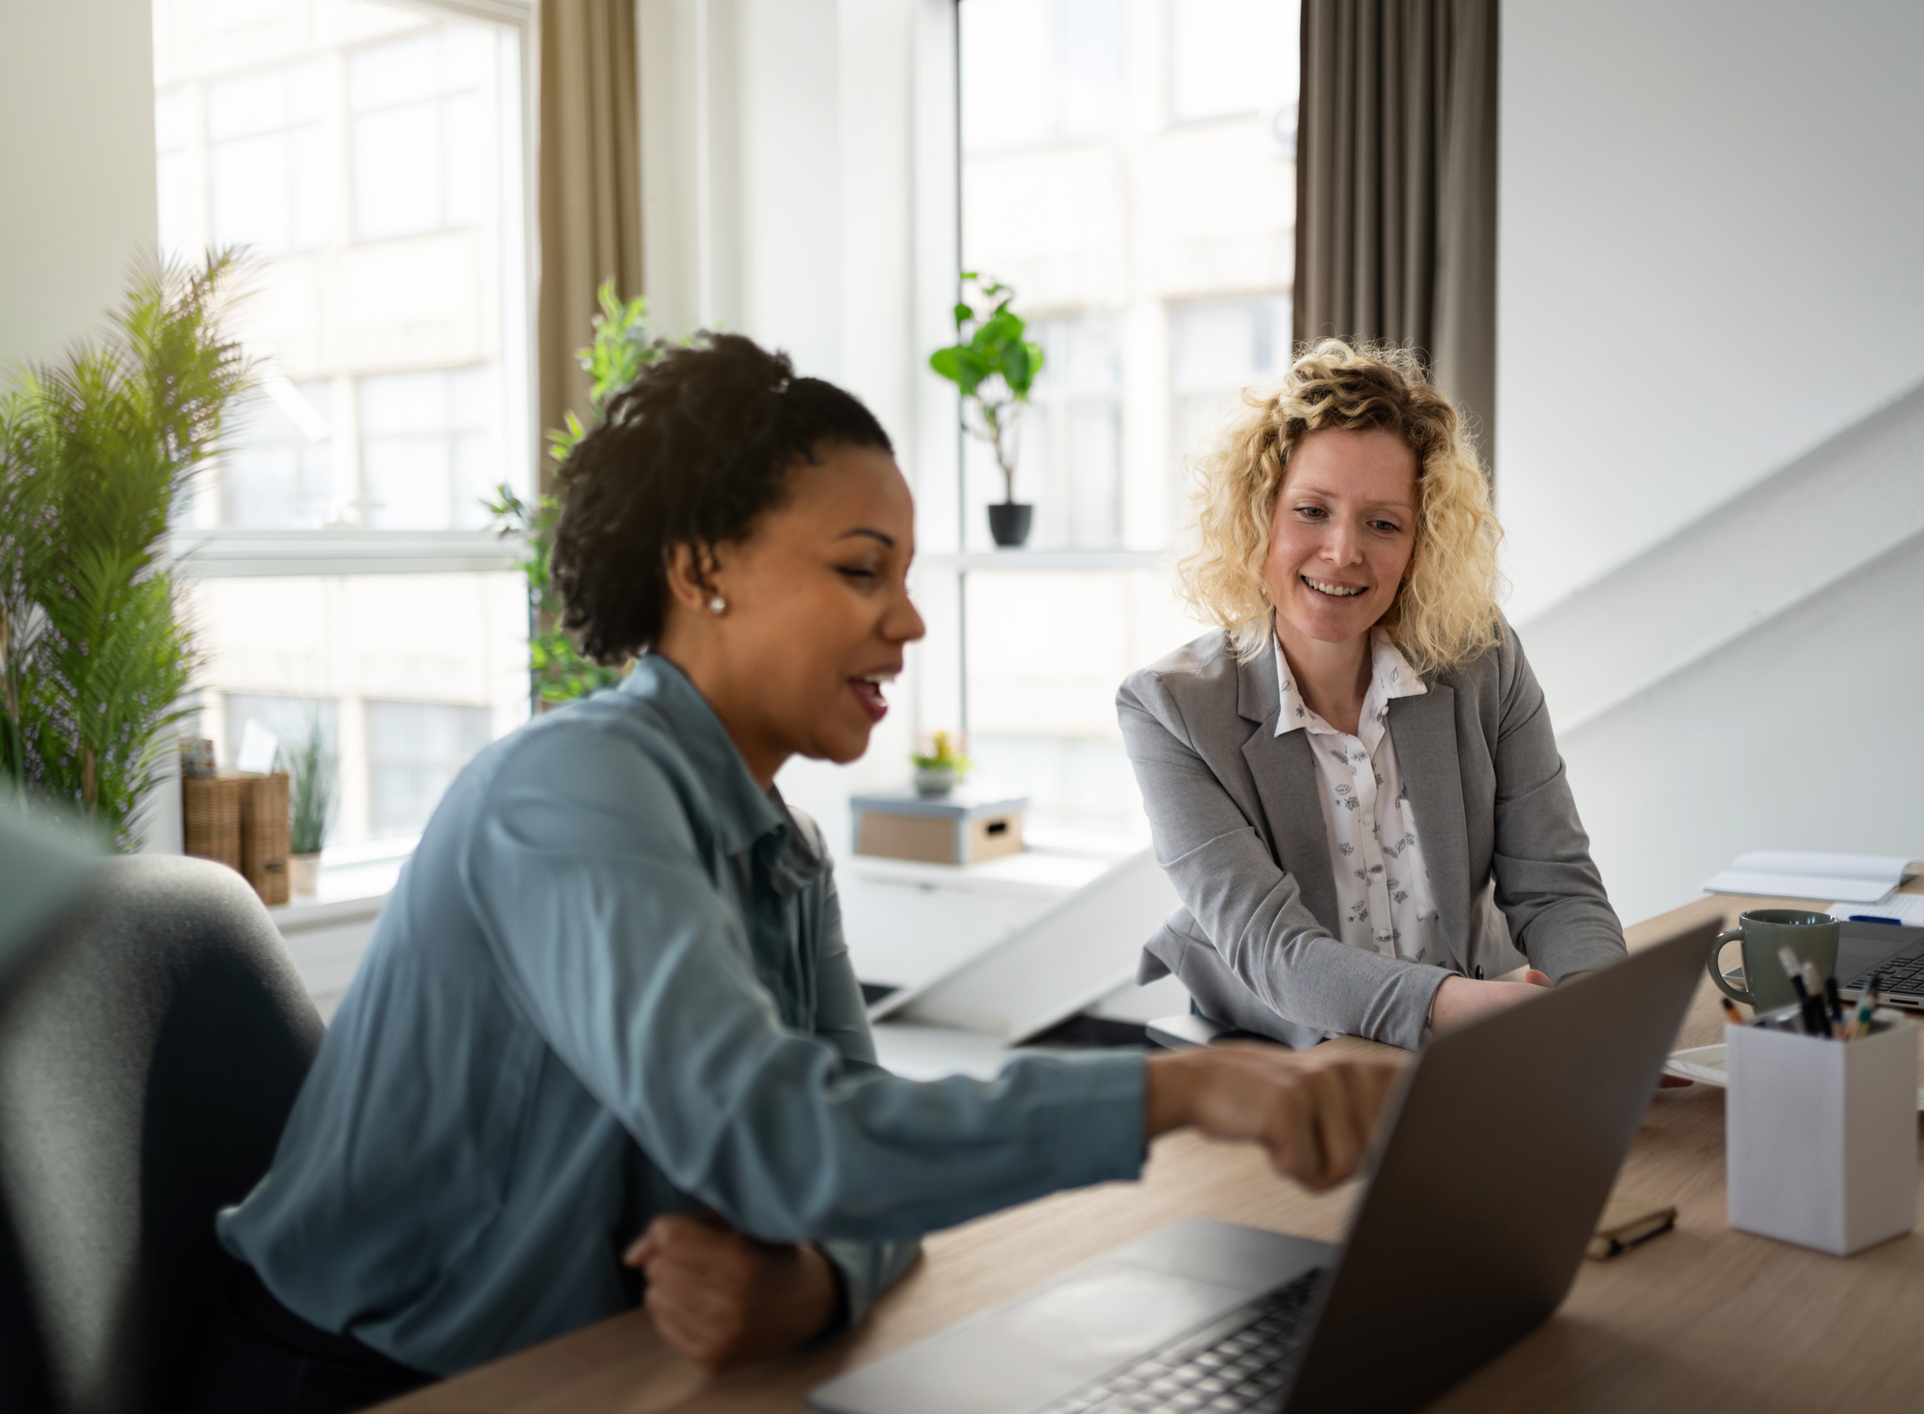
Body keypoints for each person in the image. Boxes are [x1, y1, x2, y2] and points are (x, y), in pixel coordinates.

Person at [183, 335, 1400, 1414]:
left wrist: (811, 1280)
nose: (911, 621)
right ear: (703, 566)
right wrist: (1191, 1092)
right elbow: (778, 1138)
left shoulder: (781, 844)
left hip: (584, 1369)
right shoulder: (568, 792)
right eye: (863, 570)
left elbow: (858, 1150)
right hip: (353, 1382)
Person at [1117, 339, 1629, 1053]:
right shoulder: (1168, 709)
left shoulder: (1483, 660)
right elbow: (1275, 952)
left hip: (1476, 1021)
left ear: (1421, 543)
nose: (1342, 552)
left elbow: (1555, 886)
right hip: (1296, 1036)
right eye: (1311, 511)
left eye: (1382, 523)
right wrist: (1466, 1008)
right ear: (1258, 515)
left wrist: (1599, 1015)